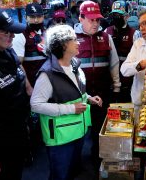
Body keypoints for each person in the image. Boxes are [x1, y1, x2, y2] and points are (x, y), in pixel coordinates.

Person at [30, 24, 102, 180]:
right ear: (62, 44)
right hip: (60, 137)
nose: (79, 43)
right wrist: (70, 109)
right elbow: (35, 104)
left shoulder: (75, 65)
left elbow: (76, 91)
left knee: (71, 172)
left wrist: (88, 98)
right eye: (74, 40)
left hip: (79, 131)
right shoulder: (47, 74)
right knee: (60, 175)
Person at [0, 6, 30, 180]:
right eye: (7, 32)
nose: (13, 36)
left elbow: (18, 72)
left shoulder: (7, 50)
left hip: (15, 136)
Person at [74, 0, 121, 171]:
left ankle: (96, 158)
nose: (95, 23)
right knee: (78, 130)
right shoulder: (71, 37)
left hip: (101, 92)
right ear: (81, 18)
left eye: (97, 20)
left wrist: (116, 86)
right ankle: (74, 162)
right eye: (91, 20)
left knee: (99, 128)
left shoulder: (106, 37)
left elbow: (114, 63)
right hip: (79, 93)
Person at [12, 2, 47, 164]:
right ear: (26, 17)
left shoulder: (47, 33)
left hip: (47, 85)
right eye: (32, 17)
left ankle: (45, 145)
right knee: (30, 120)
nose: (35, 19)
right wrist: (27, 86)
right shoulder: (20, 35)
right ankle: (31, 152)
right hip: (31, 85)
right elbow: (19, 64)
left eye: (38, 16)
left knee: (46, 117)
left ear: (43, 16)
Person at [105, 0, 136, 102]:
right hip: (110, 81)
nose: (116, 18)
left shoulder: (134, 34)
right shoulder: (106, 32)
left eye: (119, 15)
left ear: (127, 16)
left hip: (127, 80)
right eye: (114, 15)